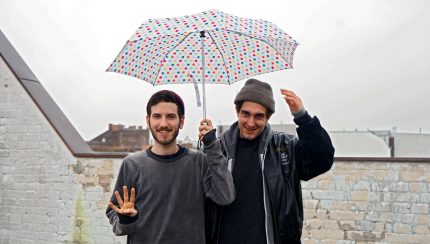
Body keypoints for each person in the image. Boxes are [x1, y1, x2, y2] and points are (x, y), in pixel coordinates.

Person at [204, 78, 335, 244]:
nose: (250, 122)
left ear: (268, 117)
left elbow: (322, 160)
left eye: (259, 116)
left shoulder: (286, 147)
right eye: (246, 114)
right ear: (237, 112)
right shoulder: (217, 150)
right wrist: (209, 146)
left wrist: (302, 117)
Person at [106, 90, 235, 244]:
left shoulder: (200, 162)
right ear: (148, 120)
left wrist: (212, 146)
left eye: (171, 117)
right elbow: (115, 218)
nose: (164, 124)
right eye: (157, 116)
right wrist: (126, 219)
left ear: (181, 121)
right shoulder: (132, 165)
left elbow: (225, 197)